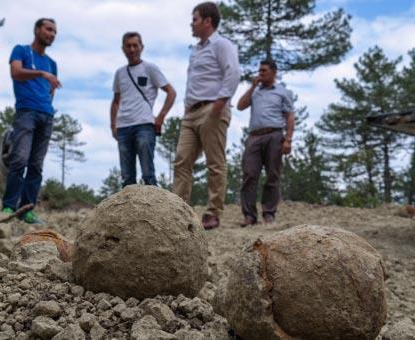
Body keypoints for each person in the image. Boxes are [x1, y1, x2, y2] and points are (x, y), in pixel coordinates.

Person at [172, 2, 241, 230]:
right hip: (190, 113)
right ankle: (178, 210)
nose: (191, 24)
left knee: (215, 162)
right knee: (182, 160)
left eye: (195, 19)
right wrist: (185, 108)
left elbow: (233, 73)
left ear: (207, 21)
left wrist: (220, 104)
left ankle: (213, 212)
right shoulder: (196, 51)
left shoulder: (222, 45)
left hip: (213, 108)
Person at [1, 18, 61, 224]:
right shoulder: (21, 51)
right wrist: (41, 74)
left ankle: (26, 209)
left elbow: (51, 90)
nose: (52, 34)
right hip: (26, 112)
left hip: (46, 115)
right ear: (37, 30)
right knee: (19, 159)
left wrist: (46, 105)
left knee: (36, 165)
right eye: (48, 29)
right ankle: (8, 206)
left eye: (54, 31)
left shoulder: (53, 63)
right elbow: (15, 73)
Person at [110, 32, 176, 187]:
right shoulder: (120, 73)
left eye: (135, 45)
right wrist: (113, 125)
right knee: (127, 177)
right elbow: (115, 101)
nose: (132, 49)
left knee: (148, 173)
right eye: (128, 46)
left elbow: (171, 92)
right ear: (123, 49)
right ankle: (129, 210)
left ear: (142, 47)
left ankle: (155, 210)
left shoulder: (150, 68)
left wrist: (161, 117)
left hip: (144, 125)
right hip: (123, 127)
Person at [237, 59, 295, 226]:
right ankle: (249, 216)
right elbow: (240, 106)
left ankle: (269, 213)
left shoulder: (283, 92)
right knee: (249, 174)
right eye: (259, 70)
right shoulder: (254, 91)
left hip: (275, 135)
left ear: (274, 72)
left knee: (273, 175)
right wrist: (252, 87)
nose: (260, 73)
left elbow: (290, 116)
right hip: (254, 136)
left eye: (264, 71)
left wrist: (288, 139)